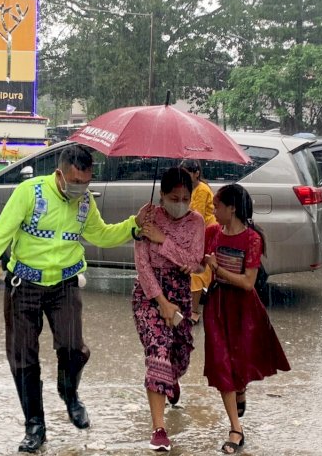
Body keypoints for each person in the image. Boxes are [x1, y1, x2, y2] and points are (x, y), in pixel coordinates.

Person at [0, 145, 154, 453]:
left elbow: (101, 234)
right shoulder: (29, 192)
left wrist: (134, 225)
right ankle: (35, 426)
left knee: (73, 348)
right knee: (23, 358)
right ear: (60, 174)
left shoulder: (85, 202)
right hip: (23, 284)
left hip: (65, 284)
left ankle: (69, 392)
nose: (81, 188)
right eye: (76, 182)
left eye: (86, 182)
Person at [202, 183, 290, 454]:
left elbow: (248, 283)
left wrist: (217, 268)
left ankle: (240, 390)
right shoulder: (212, 232)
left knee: (239, 360)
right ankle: (236, 428)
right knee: (221, 364)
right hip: (216, 307)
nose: (213, 211)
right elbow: (199, 261)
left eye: (217, 206)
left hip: (242, 308)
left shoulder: (252, 239)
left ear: (232, 208)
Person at [132, 167, 204, 452]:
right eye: (175, 197)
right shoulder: (147, 216)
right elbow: (142, 264)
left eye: (186, 197)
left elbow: (194, 261)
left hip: (181, 293)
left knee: (179, 355)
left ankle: (171, 381)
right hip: (149, 294)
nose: (181, 203)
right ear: (162, 195)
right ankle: (159, 428)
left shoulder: (196, 222)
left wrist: (164, 241)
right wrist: (161, 301)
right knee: (158, 350)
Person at [180, 160, 217, 325]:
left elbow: (197, 216)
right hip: (194, 234)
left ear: (196, 173)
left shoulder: (201, 190)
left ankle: (194, 311)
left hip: (205, 234)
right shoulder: (189, 188)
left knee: (196, 272)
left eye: (187, 172)